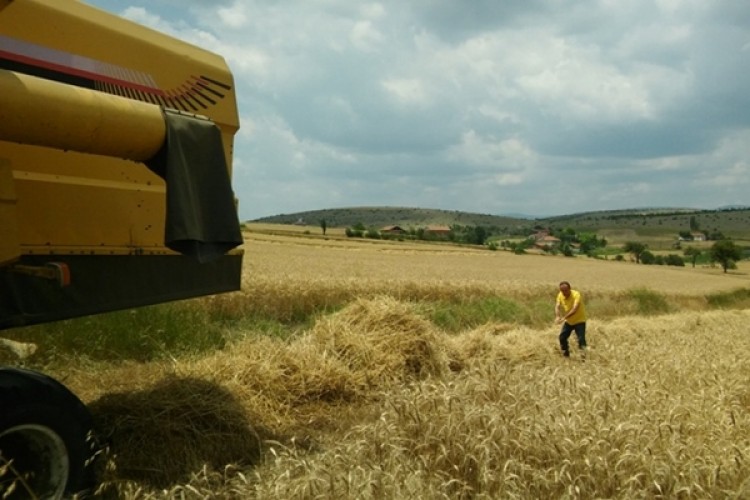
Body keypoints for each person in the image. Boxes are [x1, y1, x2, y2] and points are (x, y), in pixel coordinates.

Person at [554, 281, 587, 358]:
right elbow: (557, 306)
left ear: (570, 289)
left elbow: (574, 309)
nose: (564, 292)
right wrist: (557, 316)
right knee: (562, 338)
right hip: (569, 322)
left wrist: (564, 318)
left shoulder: (576, 295)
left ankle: (584, 358)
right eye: (562, 291)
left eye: (565, 290)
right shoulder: (560, 295)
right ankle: (566, 356)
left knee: (581, 340)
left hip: (579, 321)